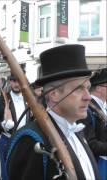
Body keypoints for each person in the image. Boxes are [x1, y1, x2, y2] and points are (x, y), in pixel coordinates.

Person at [7, 44, 100, 180]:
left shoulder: (76, 130)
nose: (88, 97)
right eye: (79, 89)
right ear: (54, 94)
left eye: (88, 88)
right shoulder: (31, 140)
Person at [0, 73, 29, 179]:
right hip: (6, 140)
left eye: (19, 81)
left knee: (21, 172)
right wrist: (3, 125)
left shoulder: (29, 99)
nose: (17, 84)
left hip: (23, 141)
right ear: (10, 82)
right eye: (14, 81)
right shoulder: (1, 99)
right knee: (5, 174)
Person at [78, 67, 107, 178]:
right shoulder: (87, 109)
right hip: (98, 163)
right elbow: (90, 143)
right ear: (99, 88)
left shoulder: (102, 107)